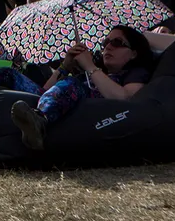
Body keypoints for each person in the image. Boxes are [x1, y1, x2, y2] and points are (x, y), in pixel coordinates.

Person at [9, 26, 155, 149]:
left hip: (89, 115)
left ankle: (40, 122)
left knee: (71, 84)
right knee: (8, 74)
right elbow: (44, 92)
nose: (108, 47)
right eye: (106, 42)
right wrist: (65, 66)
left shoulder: (135, 73)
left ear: (133, 53)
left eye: (117, 42)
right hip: (44, 103)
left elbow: (125, 98)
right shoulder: (98, 71)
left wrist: (90, 66)